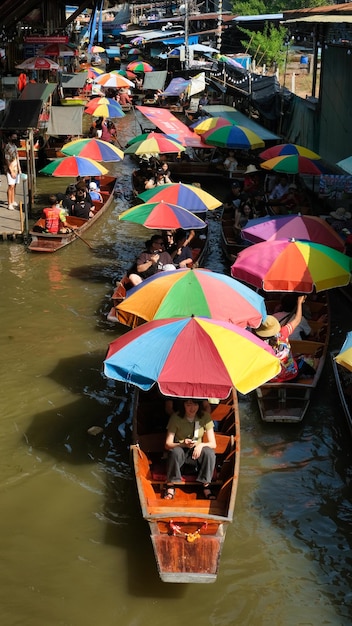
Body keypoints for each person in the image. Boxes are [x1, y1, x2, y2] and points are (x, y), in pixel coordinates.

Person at [163, 398, 217, 500]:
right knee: (175, 452)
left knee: (209, 452)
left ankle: (206, 485)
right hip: (182, 451)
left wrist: (200, 445)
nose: (192, 408)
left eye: (195, 405)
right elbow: (168, 443)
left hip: (197, 453)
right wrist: (183, 444)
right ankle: (170, 485)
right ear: (183, 405)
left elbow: (213, 444)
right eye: (189, 405)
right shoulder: (176, 417)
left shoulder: (205, 416)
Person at [254, 295, 312, 382]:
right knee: (306, 365)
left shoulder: (259, 342)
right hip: (291, 374)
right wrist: (299, 303)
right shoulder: (283, 334)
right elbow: (297, 319)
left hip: (271, 377)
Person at [4, 132, 21, 211]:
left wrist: (19, 168)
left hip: (16, 167)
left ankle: (13, 200)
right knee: (11, 186)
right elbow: (7, 159)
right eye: (13, 137)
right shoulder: (7, 146)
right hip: (10, 168)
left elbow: (17, 157)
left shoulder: (15, 146)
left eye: (16, 137)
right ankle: (9, 203)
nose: (15, 139)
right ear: (10, 137)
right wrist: (11, 171)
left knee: (15, 185)